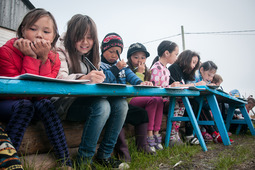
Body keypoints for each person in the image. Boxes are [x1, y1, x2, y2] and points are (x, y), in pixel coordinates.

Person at [52, 15, 128, 169]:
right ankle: (84, 160)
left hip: (85, 101)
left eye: (90, 37)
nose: (85, 42)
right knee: (102, 106)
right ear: (72, 34)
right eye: (80, 37)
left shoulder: (91, 56)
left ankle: (104, 155)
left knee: (121, 104)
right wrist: (85, 78)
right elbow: (59, 78)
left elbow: (96, 81)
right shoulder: (59, 49)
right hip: (62, 104)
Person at [0, 8, 72, 168]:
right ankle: (7, 163)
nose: (39, 35)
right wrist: (31, 57)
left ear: (53, 37)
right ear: (22, 30)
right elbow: (18, 94)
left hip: (34, 102)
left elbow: (42, 95)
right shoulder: (6, 52)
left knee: (45, 104)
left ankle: (66, 162)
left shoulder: (54, 59)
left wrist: (44, 58)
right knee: (25, 105)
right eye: (33, 29)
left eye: (46, 31)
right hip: (9, 103)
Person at [100, 33, 154, 162]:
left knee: (141, 114)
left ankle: (142, 146)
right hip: (108, 103)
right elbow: (103, 79)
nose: (114, 55)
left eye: (117, 52)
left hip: (122, 102)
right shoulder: (100, 65)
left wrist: (141, 82)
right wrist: (115, 69)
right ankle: (122, 152)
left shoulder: (123, 66)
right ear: (103, 49)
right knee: (117, 116)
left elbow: (132, 77)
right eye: (111, 51)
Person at [126, 42, 164, 152]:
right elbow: (135, 89)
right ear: (129, 58)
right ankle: (149, 135)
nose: (140, 60)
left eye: (143, 57)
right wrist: (139, 73)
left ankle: (156, 132)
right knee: (152, 101)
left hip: (143, 98)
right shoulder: (127, 70)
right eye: (136, 57)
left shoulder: (147, 71)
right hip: (130, 99)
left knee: (159, 100)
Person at [168, 50, 207, 146]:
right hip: (170, 98)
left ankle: (189, 134)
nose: (194, 66)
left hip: (180, 98)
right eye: (193, 62)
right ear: (186, 59)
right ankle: (176, 136)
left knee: (195, 103)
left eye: (196, 64)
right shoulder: (174, 68)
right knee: (186, 103)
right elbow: (178, 86)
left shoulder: (184, 72)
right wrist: (196, 84)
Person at [150, 40, 183, 147]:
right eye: (176, 54)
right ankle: (164, 136)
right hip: (157, 99)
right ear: (167, 53)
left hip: (163, 99)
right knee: (176, 104)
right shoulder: (156, 68)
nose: (176, 57)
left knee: (181, 102)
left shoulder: (166, 70)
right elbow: (155, 89)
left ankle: (174, 132)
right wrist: (171, 86)